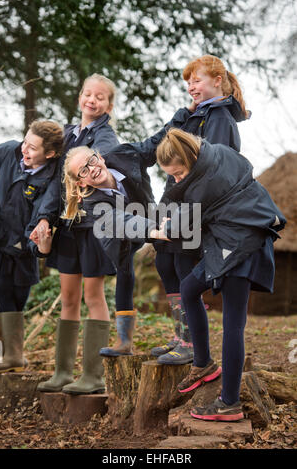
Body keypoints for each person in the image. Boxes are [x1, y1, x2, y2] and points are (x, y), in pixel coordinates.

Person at [149, 127, 286, 421]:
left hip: (242, 246)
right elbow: (187, 202)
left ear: (192, 156)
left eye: (178, 173)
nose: (175, 180)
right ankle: (203, 364)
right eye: (171, 175)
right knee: (188, 289)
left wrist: (159, 230)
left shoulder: (203, 184)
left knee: (233, 323)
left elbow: (184, 226)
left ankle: (229, 403)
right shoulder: (217, 153)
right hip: (240, 236)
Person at [130, 54, 250, 365]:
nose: (191, 87)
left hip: (192, 206)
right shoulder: (194, 115)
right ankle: (179, 335)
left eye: (196, 80)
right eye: (187, 83)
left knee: (183, 268)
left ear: (217, 81)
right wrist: (183, 115)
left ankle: (192, 343)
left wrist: (185, 211)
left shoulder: (220, 120)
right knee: (166, 265)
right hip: (173, 199)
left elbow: (214, 172)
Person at [35, 74, 135, 395]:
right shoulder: (65, 134)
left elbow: (100, 176)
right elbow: (54, 183)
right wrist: (45, 218)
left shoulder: (106, 139)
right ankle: (63, 372)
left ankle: (93, 375)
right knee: (67, 298)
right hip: (67, 227)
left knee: (93, 296)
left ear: (108, 104)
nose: (92, 100)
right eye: (87, 94)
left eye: (100, 97)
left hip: (94, 226)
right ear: (80, 97)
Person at [36, 144, 156, 364]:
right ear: (81, 182)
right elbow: (120, 222)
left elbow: (156, 143)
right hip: (124, 233)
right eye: (83, 170)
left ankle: (183, 338)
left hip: (151, 216)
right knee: (124, 273)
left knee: (170, 263)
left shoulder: (123, 157)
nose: (91, 169)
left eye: (91, 161)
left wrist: (187, 114)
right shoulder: (91, 201)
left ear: (99, 156)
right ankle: (124, 341)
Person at [0, 119, 64, 373]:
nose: (24, 149)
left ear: (50, 154)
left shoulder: (51, 179)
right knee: (2, 288)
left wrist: (37, 245)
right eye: (25, 141)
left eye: (33, 148)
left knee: (18, 294)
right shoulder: (8, 151)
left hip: (24, 246)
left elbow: (43, 214)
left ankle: (14, 353)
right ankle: (10, 355)